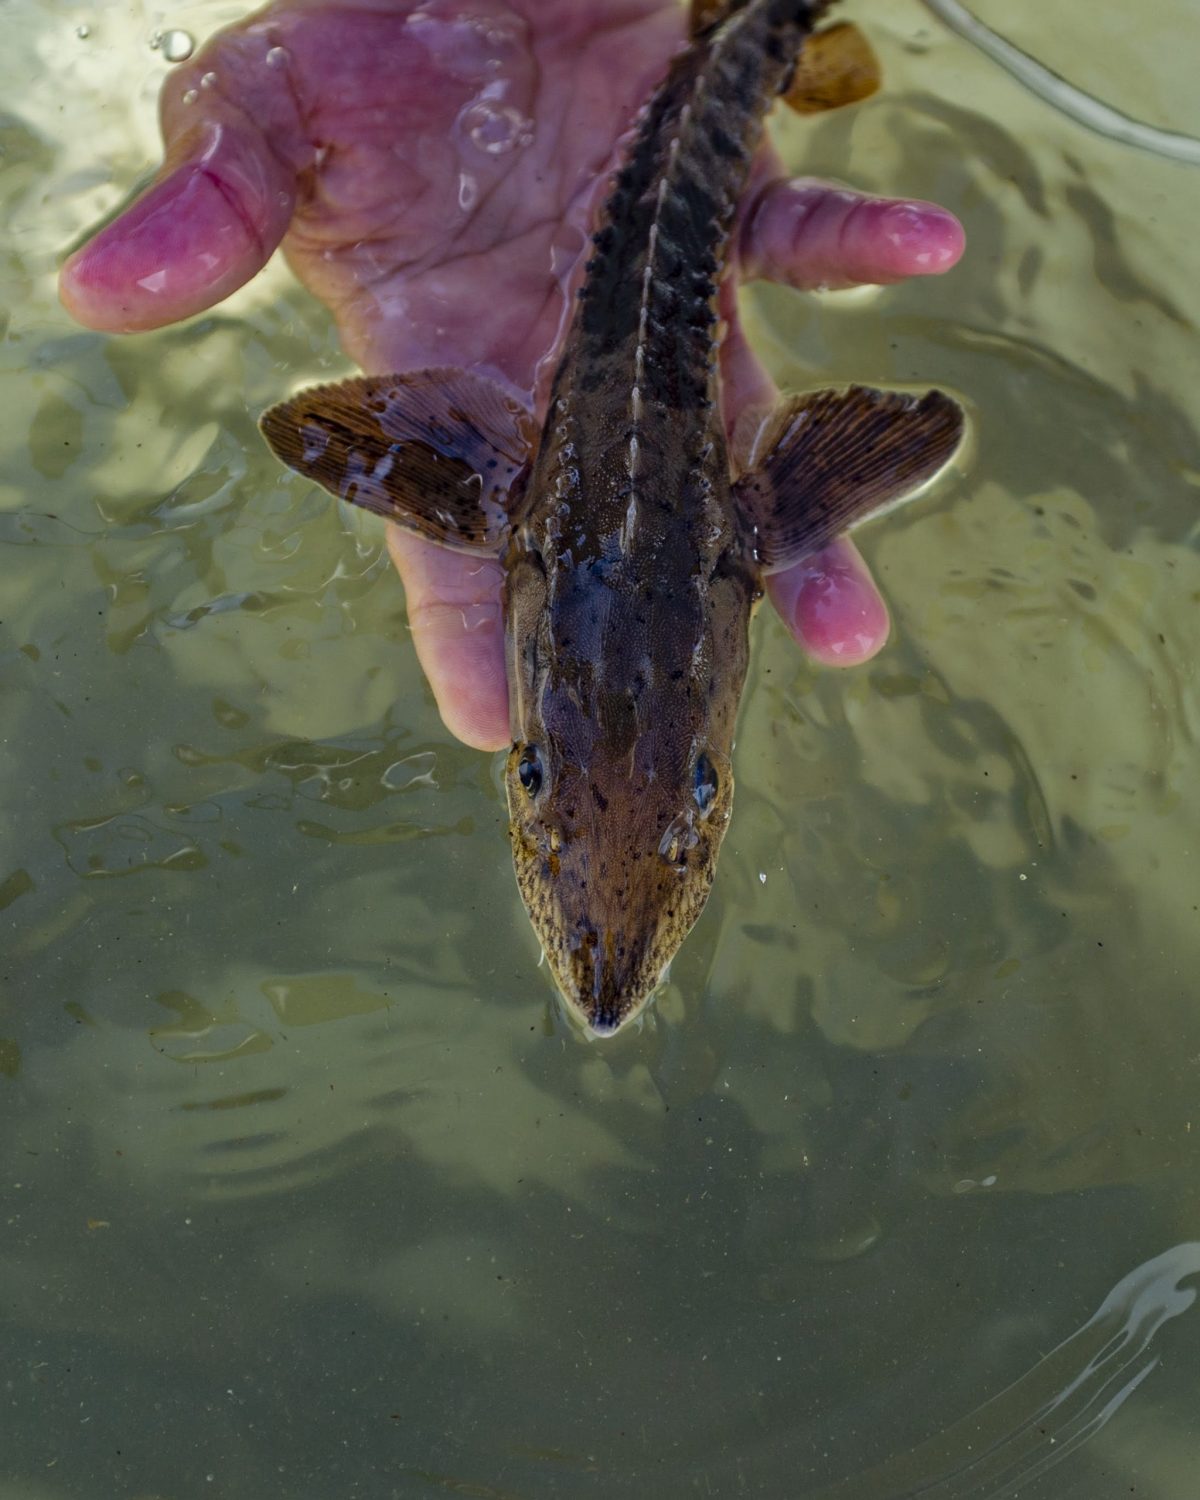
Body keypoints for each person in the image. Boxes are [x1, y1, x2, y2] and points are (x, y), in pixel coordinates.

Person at [59, 0, 964, 752]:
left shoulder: (563, 508)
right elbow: (321, 433)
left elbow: (316, 429)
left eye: (539, 775)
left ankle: (761, 33)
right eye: (696, 780)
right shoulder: (525, 508)